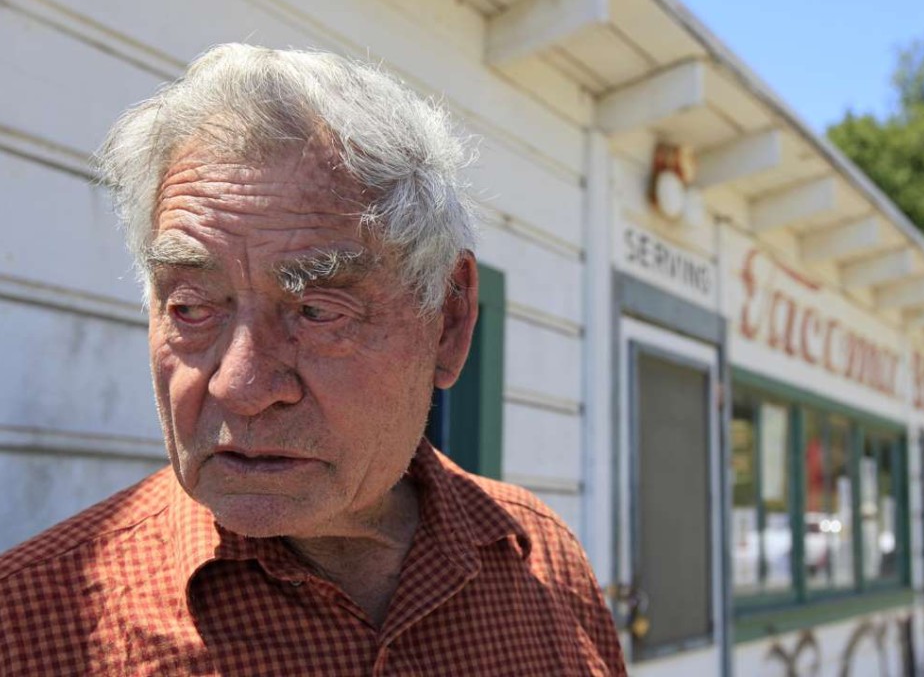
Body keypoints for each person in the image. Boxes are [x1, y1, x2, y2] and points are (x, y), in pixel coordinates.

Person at [0, 44, 626, 676]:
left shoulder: (541, 558)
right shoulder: (25, 628)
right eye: (191, 306)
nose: (241, 386)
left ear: (449, 321)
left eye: (318, 310)